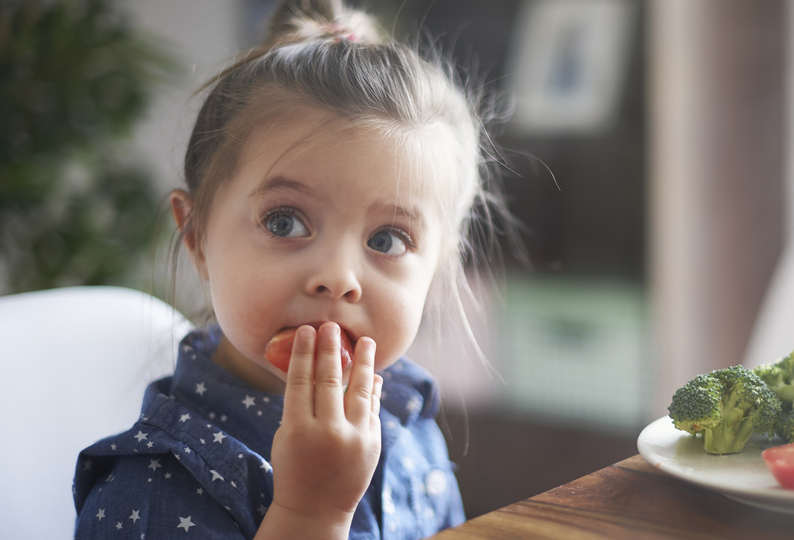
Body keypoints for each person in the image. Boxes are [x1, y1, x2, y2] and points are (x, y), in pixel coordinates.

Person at [72, 0, 509, 538]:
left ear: (438, 268)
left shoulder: (405, 413)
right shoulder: (153, 490)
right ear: (198, 236)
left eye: (387, 239)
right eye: (285, 223)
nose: (338, 276)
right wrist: (310, 514)